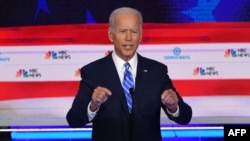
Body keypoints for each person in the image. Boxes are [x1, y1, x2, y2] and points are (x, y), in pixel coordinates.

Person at [66, 7, 192, 141]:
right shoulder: (93, 71)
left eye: (134, 31)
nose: (128, 38)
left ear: (140, 35)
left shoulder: (157, 71)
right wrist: (93, 105)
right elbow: (74, 119)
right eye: (122, 31)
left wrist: (173, 107)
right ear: (111, 35)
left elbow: (185, 116)